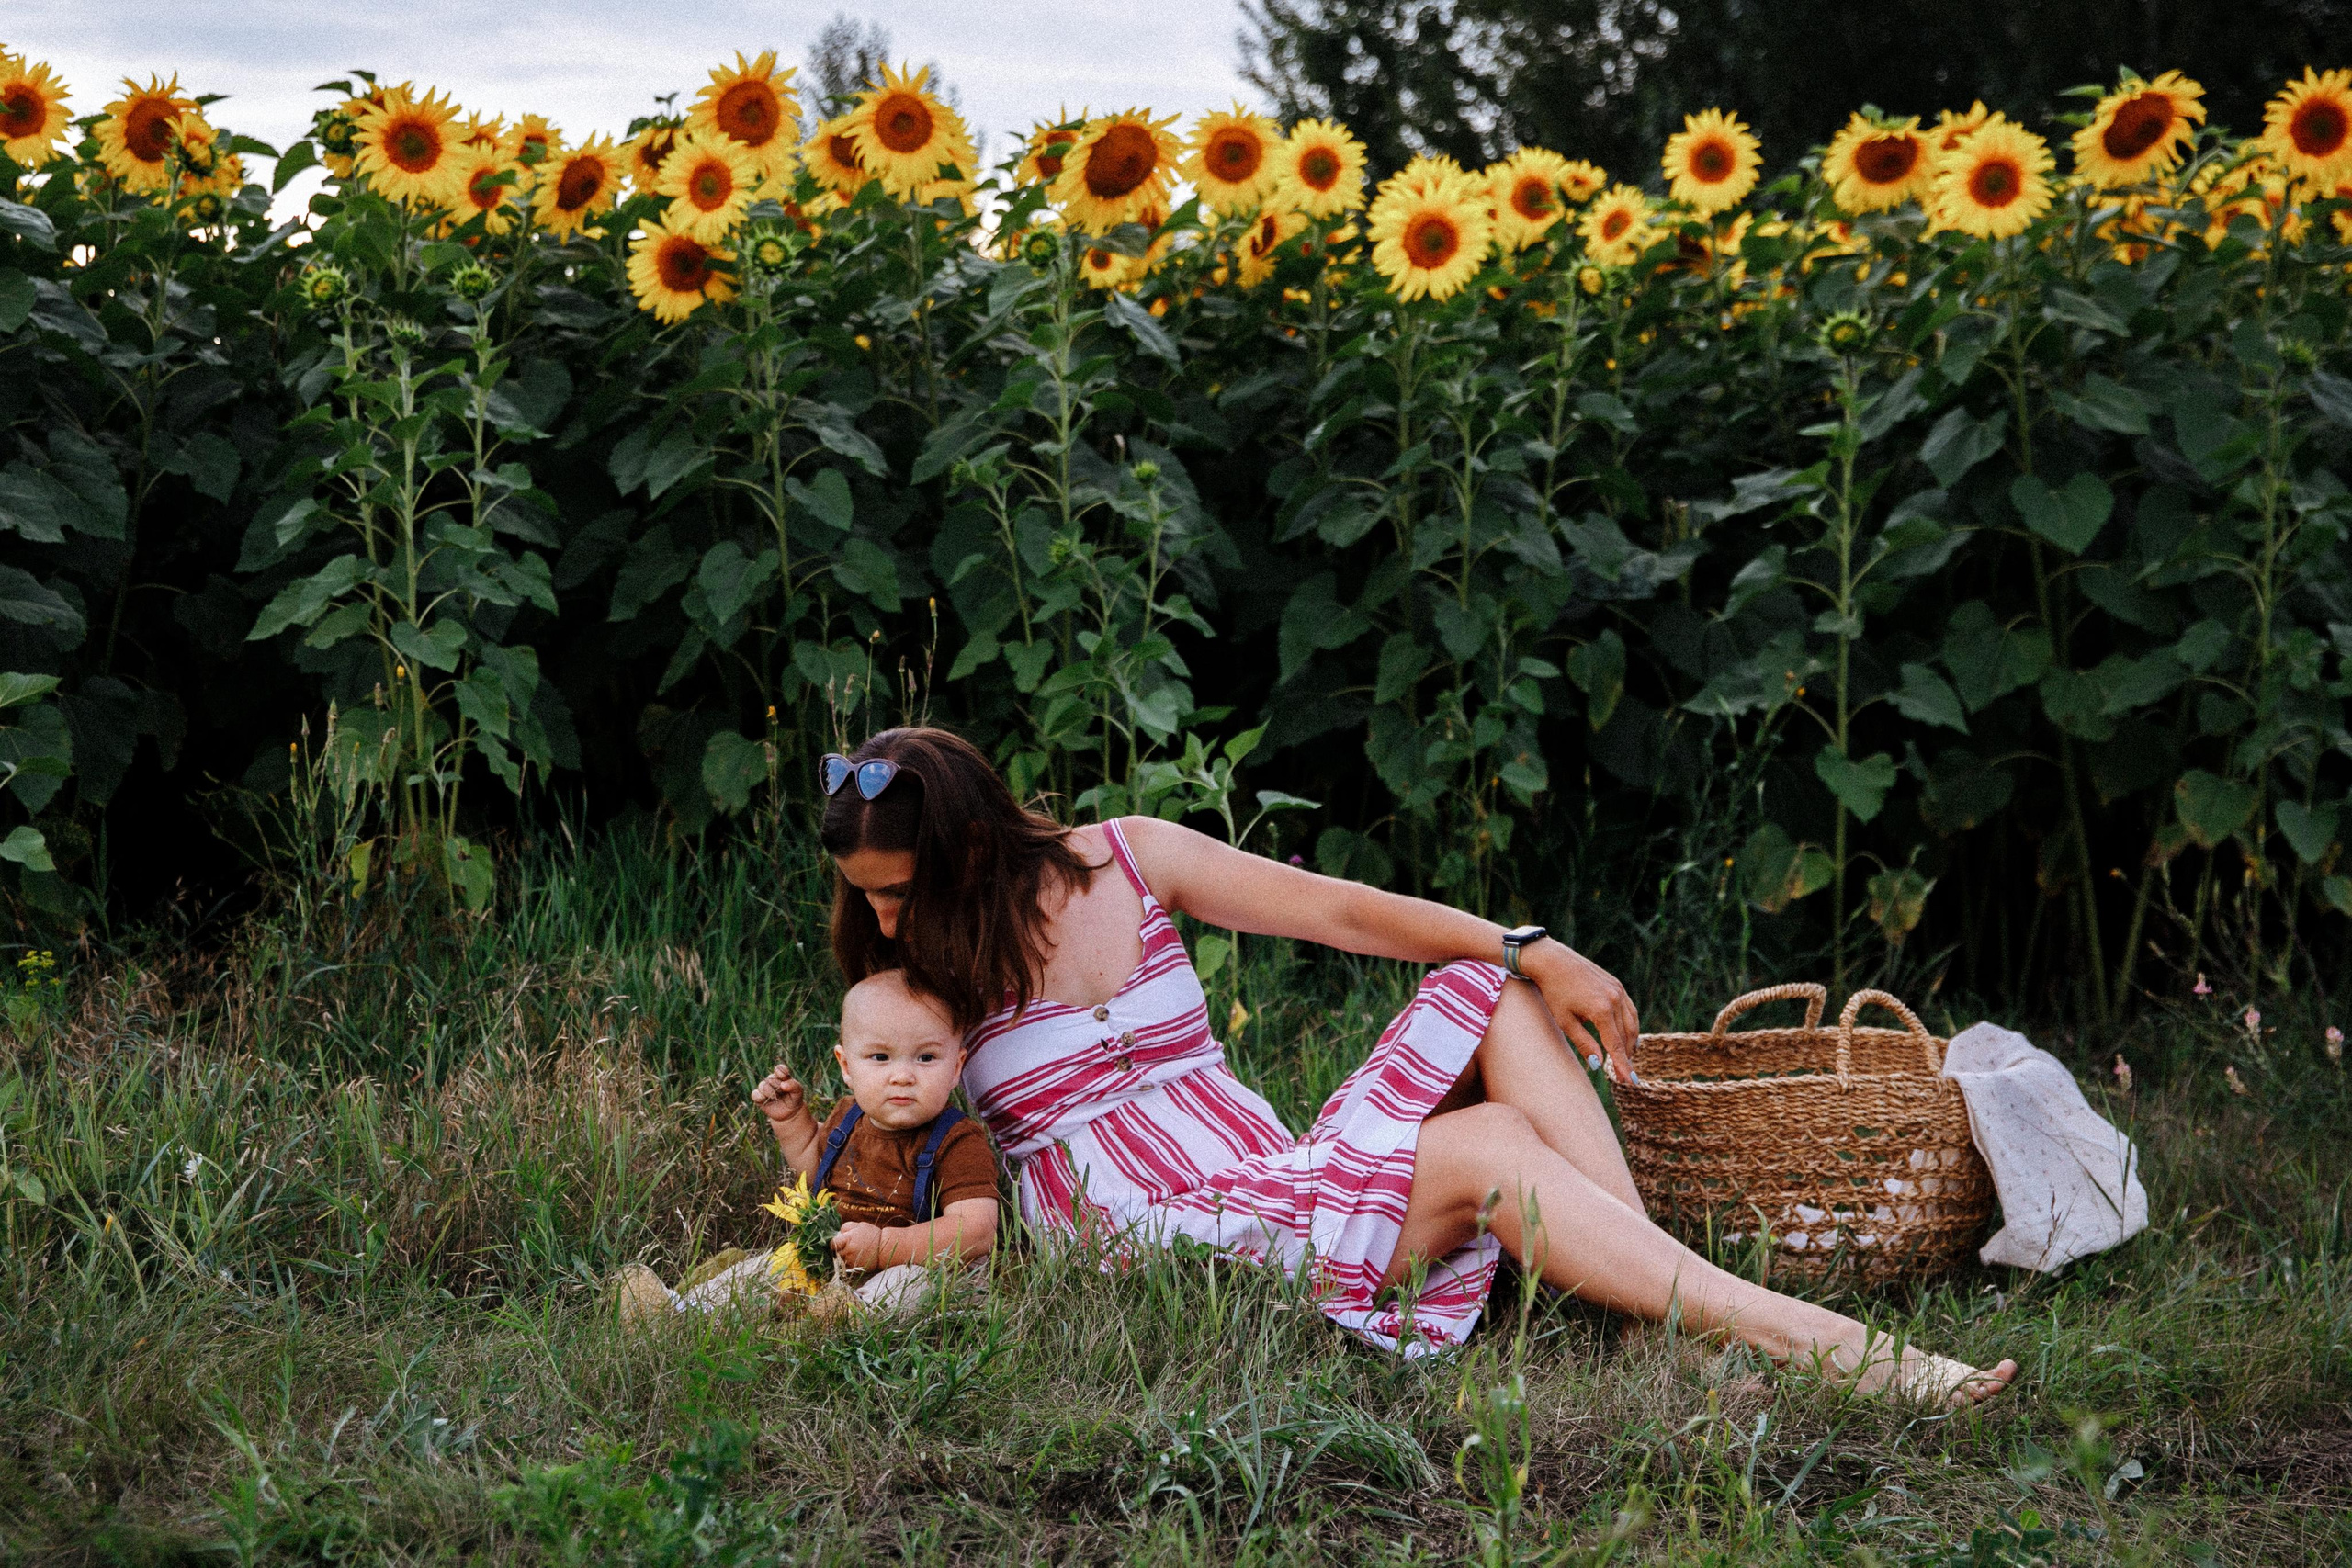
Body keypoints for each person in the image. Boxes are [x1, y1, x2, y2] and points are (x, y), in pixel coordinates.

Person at [818, 728, 2017, 1405]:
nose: (880, 919)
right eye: (865, 895)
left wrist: (1535, 946)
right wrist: (857, 1242)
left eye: (897, 888)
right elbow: (887, 1115)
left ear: (971, 844)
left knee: (1492, 988)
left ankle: (1655, 1308)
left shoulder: (1127, 856)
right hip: (1156, 1240)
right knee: (1487, 1144)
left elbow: (1344, 910)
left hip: (1275, 1173)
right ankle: (1837, 1351)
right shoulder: (921, 968)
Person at [615, 968, 1000, 1323]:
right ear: (846, 1066)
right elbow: (816, 1171)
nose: (902, 1075)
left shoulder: (957, 1140)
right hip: (834, 1263)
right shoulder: (847, 1119)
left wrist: (884, 1247)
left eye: (926, 1057)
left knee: (907, 1288)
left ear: (956, 1067)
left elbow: (977, 1230)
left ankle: (843, 1323)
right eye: (880, 1057)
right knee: (766, 1270)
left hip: (920, 1266)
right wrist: (790, 1122)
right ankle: (681, 1312)